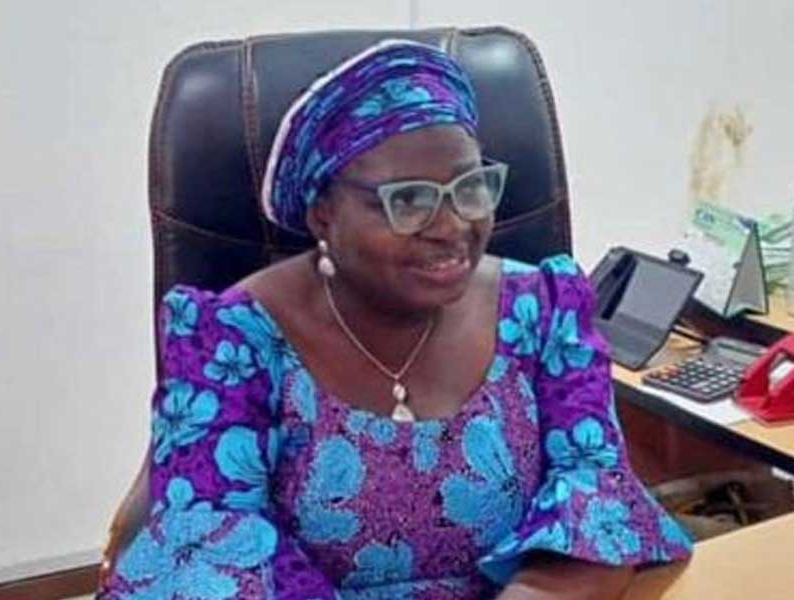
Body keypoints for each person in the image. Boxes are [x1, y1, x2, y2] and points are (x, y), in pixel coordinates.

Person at [97, 39, 691, 600]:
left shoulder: (544, 308)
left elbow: (598, 495)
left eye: (471, 188)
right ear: (323, 213)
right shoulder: (233, 338)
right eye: (408, 200)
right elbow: (213, 547)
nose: (454, 226)